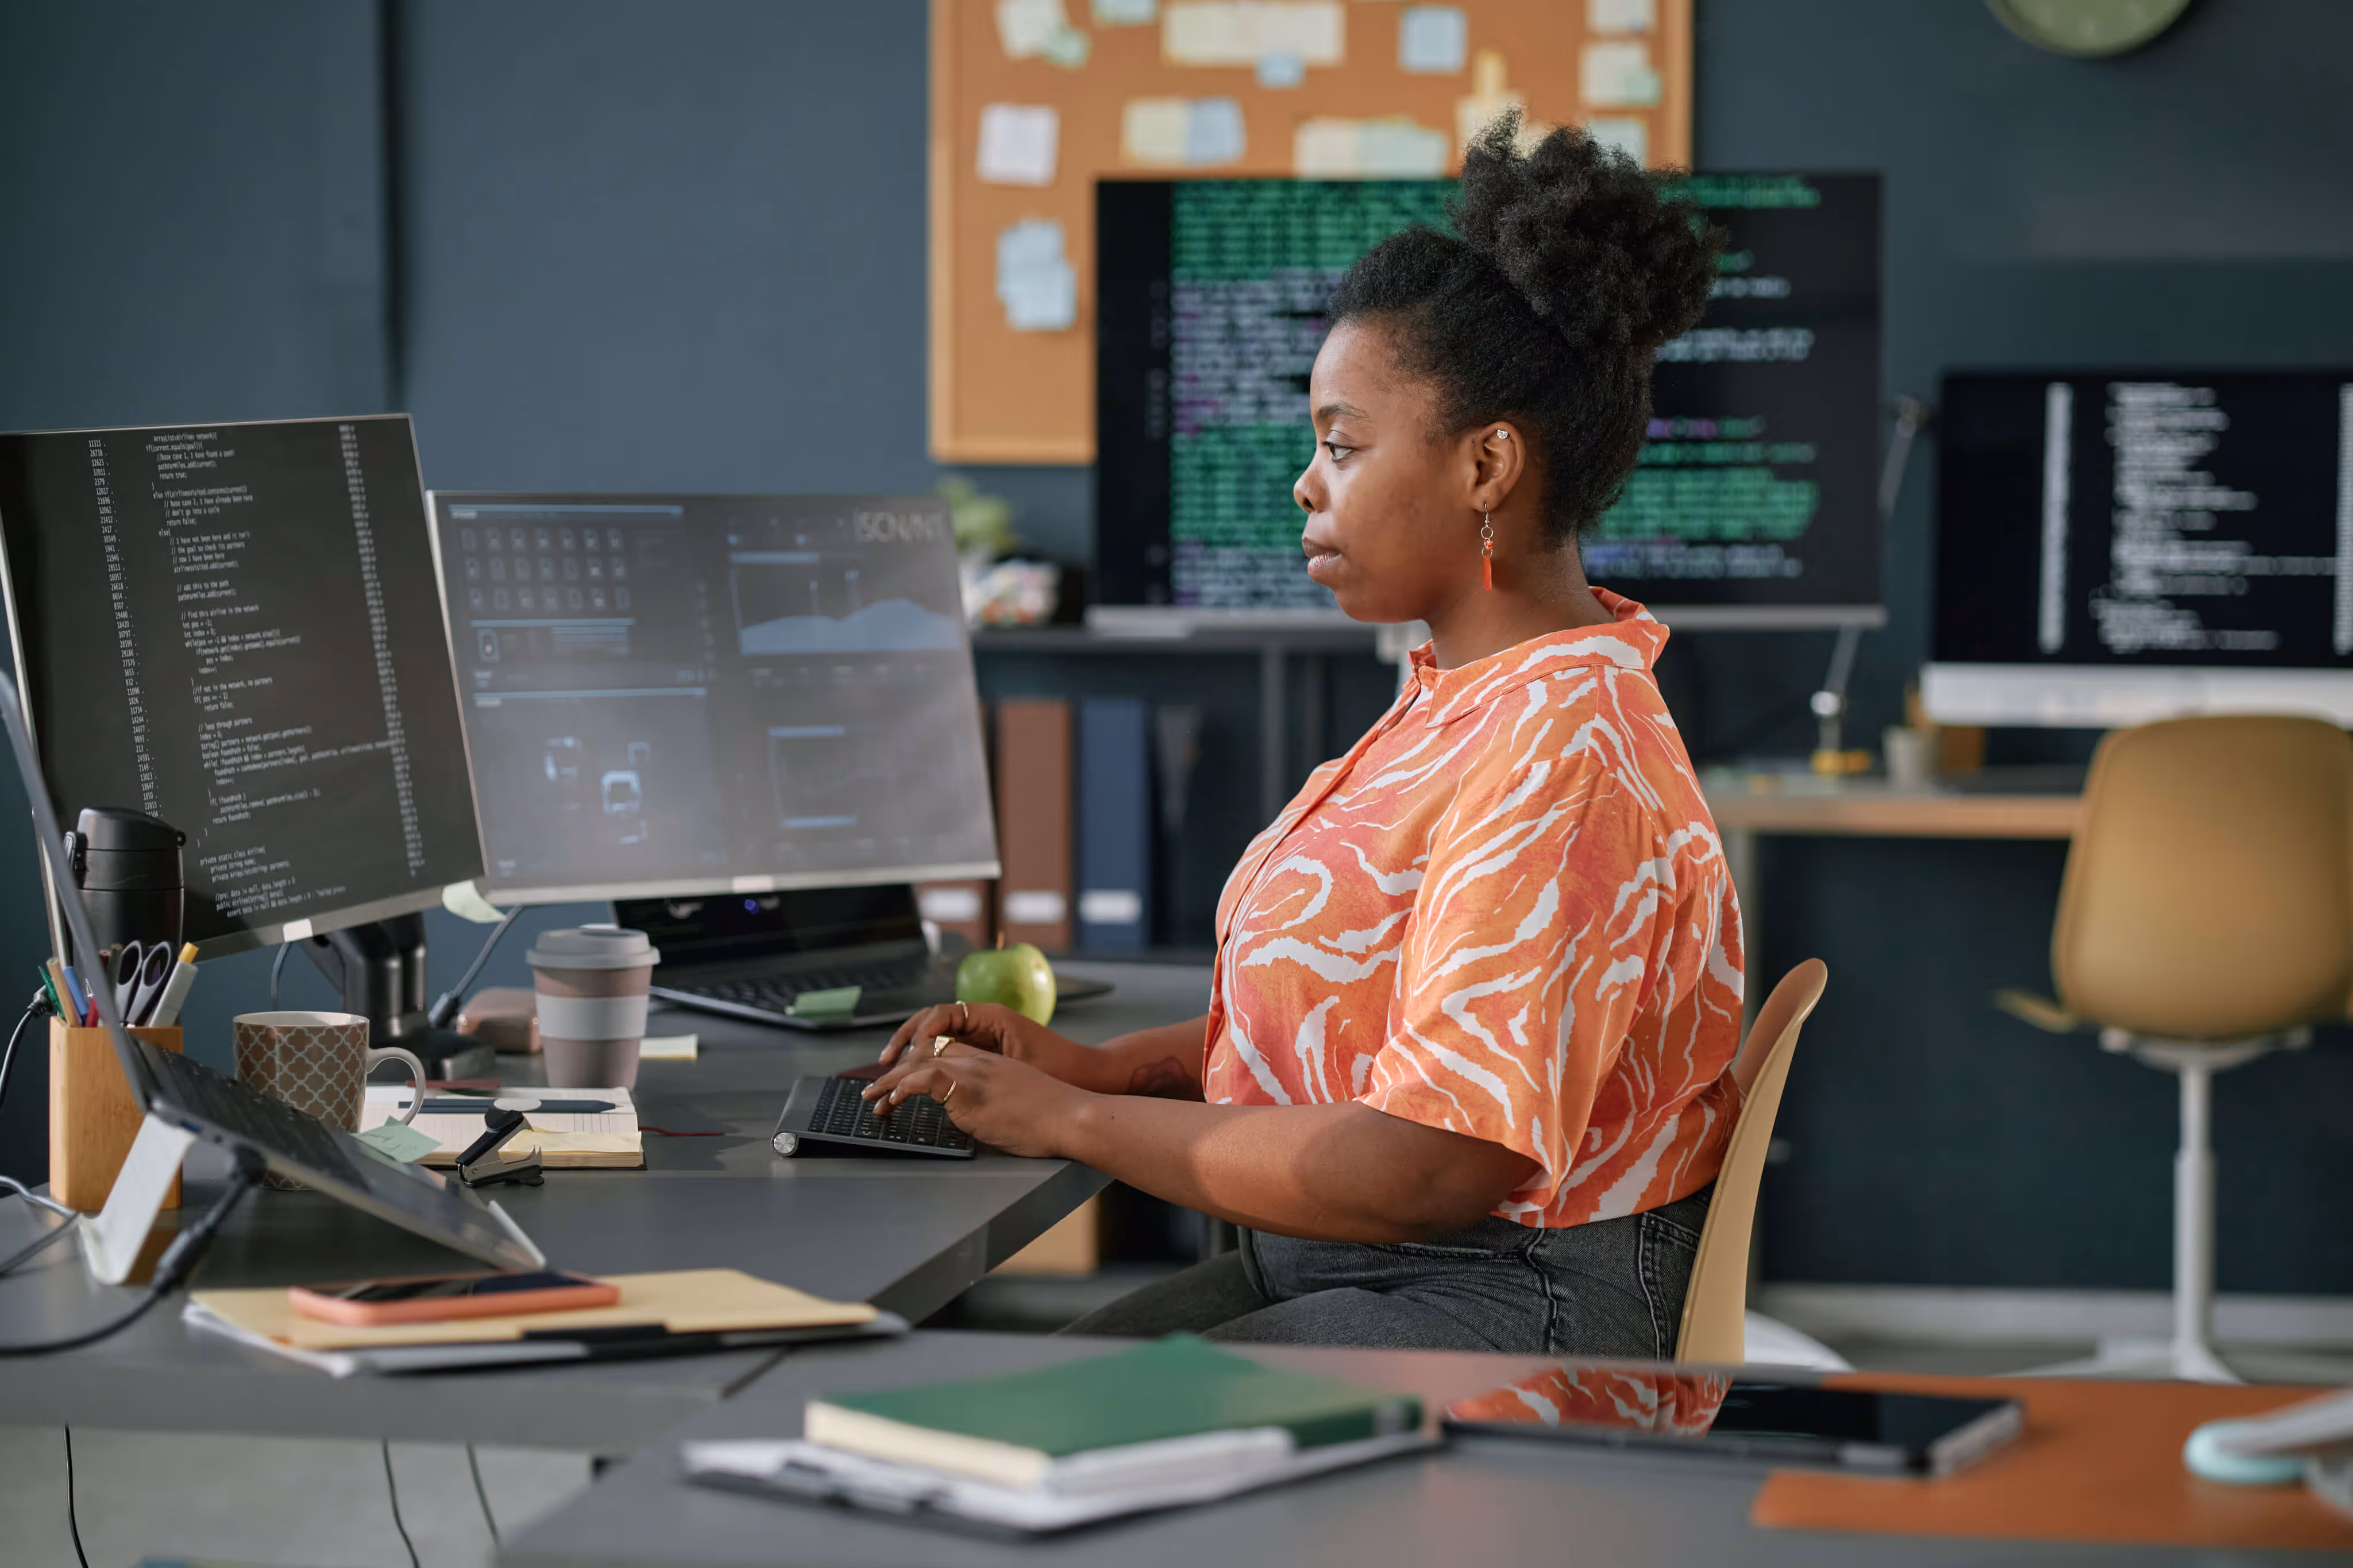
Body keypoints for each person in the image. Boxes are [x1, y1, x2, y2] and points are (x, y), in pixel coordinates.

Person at [869, 114, 1739, 1358]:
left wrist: (1070, 1125)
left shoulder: (1560, 752)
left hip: (1500, 1308)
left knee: (1004, 1439)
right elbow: (1372, 1029)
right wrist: (1102, 1073)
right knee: (990, 1410)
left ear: (1487, 464)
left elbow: (1425, 1164)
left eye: (1339, 444)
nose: (1304, 482)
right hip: (1379, 1273)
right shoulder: (1477, 694)